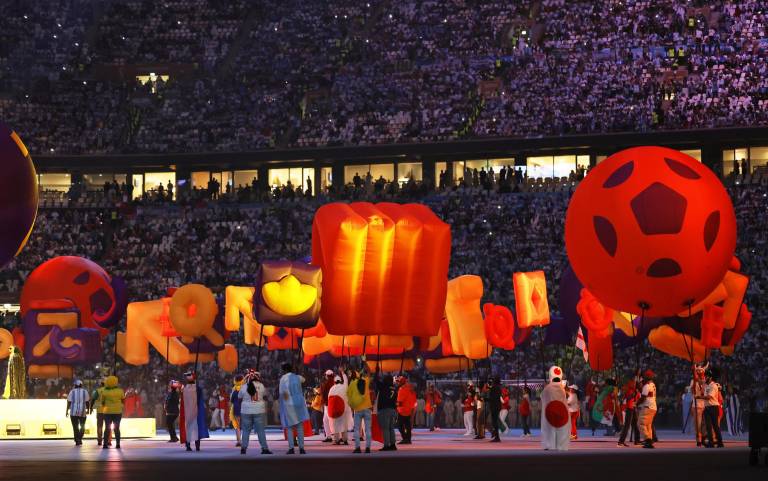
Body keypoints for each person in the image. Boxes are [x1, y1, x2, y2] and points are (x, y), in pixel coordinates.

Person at [279, 363, 310, 454]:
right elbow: (304, 380)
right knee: (300, 426)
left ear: (284, 370)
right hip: (299, 403)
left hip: (289, 404)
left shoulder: (283, 379)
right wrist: (297, 371)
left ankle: (291, 448)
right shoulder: (298, 377)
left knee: (290, 427)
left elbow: (282, 393)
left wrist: (286, 403)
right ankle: (301, 448)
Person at [239, 371, 271, 455]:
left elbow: (239, 396)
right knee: (261, 431)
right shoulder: (261, 385)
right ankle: (264, 448)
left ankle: (243, 448)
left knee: (246, 431)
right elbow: (265, 394)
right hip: (259, 410)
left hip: (246, 410)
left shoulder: (244, 386)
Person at [540, 366, 570, 451]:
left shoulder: (548, 388)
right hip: (561, 411)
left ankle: (550, 445)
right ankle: (561, 445)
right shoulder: (562, 389)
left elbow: (542, 397)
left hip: (550, 411)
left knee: (550, 430)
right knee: (561, 430)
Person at [180, 371, 209, 452]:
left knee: (189, 428)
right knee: (196, 428)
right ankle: (197, 446)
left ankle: (188, 446)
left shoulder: (185, 389)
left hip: (188, 412)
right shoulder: (197, 389)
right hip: (196, 412)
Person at [347, 367, 373, 453]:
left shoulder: (352, 384)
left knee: (357, 429)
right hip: (367, 408)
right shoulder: (366, 381)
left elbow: (348, 395)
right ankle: (368, 448)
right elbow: (369, 372)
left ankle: (357, 447)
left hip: (357, 409)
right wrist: (365, 362)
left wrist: (352, 405)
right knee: (368, 429)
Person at [699, 368, 724, 448]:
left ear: (710, 377)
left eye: (706, 376)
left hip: (713, 407)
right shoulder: (707, 385)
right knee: (708, 426)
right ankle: (711, 442)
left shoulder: (713, 386)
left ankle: (720, 442)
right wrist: (696, 372)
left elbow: (709, 397)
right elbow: (699, 381)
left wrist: (699, 396)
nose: (705, 378)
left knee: (715, 426)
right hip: (707, 407)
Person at [374, 369, 398, 451]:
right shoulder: (394, 388)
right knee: (391, 428)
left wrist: (376, 371)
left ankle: (386, 445)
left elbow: (376, 381)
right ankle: (393, 444)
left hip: (384, 410)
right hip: (393, 410)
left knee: (385, 428)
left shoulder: (383, 387)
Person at [327, 369, 352, 445]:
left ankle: (336, 440)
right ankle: (345, 440)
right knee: (344, 425)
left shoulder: (332, 388)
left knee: (335, 425)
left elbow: (329, 399)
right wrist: (343, 373)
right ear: (340, 381)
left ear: (334, 382)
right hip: (344, 409)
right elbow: (346, 381)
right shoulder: (344, 386)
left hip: (335, 410)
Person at [100, 375, 125, 450]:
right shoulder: (120, 391)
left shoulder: (104, 391)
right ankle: (118, 444)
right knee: (117, 428)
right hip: (118, 411)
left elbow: (102, 402)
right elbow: (123, 400)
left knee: (107, 428)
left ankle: (105, 444)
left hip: (107, 412)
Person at [66, 379, 89, 446]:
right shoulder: (85, 391)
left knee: (75, 426)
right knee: (82, 426)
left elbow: (69, 402)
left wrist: (67, 411)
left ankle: (77, 439)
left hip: (73, 412)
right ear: (81, 385)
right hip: (82, 412)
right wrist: (88, 409)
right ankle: (79, 438)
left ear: (75, 385)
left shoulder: (72, 392)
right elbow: (87, 401)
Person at [637, 370, 657, 449]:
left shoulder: (647, 386)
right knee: (648, 425)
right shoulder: (653, 384)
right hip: (653, 407)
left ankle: (647, 440)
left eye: (645, 376)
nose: (643, 377)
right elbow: (641, 389)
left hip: (647, 407)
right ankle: (649, 440)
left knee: (641, 424)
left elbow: (643, 397)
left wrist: (636, 404)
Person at [617, 378, 639, 447]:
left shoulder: (632, 389)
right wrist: (634, 394)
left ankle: (637, 440)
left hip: (633, 407)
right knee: (627, 425)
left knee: (635, 424)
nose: (635, 384)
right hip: (630, 408)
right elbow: (628, 398)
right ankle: (621, 441)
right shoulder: (629, 390)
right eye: (634, 382)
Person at [90, 380, 111, 447]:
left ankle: (99, 441)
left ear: (101, 384)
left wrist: (91, 408)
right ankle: (108, 440)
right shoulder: (109, 391)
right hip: (107, 410)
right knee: (108, 426)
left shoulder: (97, 391)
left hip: (99, 410)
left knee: (99, 426)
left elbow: (93, 399)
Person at [396, 374, 416, 444]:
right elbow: (414, 400)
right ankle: (408, 439)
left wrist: (396, 405)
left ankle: (405, 438)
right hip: (409, 410)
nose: (397, 383)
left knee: (400, 425)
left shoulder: (402, 389)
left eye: (398, 382)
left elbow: (400, 401)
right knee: (408, 425)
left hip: (402, 410)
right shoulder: (411, 389)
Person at [320, 369, 335, 442]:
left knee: (328, 420)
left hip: (328, 404)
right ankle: (329, 436)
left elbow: (324, 394)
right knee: (327, 420)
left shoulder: (327, 383)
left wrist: (321, 388)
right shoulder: (334, 382)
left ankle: (332, 436)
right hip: (332, 403)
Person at [229, 375, 244, 447]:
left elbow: (231, 400)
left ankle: (239, 441)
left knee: (237, 426)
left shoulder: (234, 389)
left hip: (237, 409)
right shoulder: (245, 388)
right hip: (245, 409)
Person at [488, 377, 503, 442]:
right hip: (497, 406)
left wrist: (486, 399)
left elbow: (492, 397)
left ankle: (497, 437)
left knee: (494, 422)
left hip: (494, 406)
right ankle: (496, 436)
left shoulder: (494, 388)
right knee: (495, 421)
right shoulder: (499, 387)